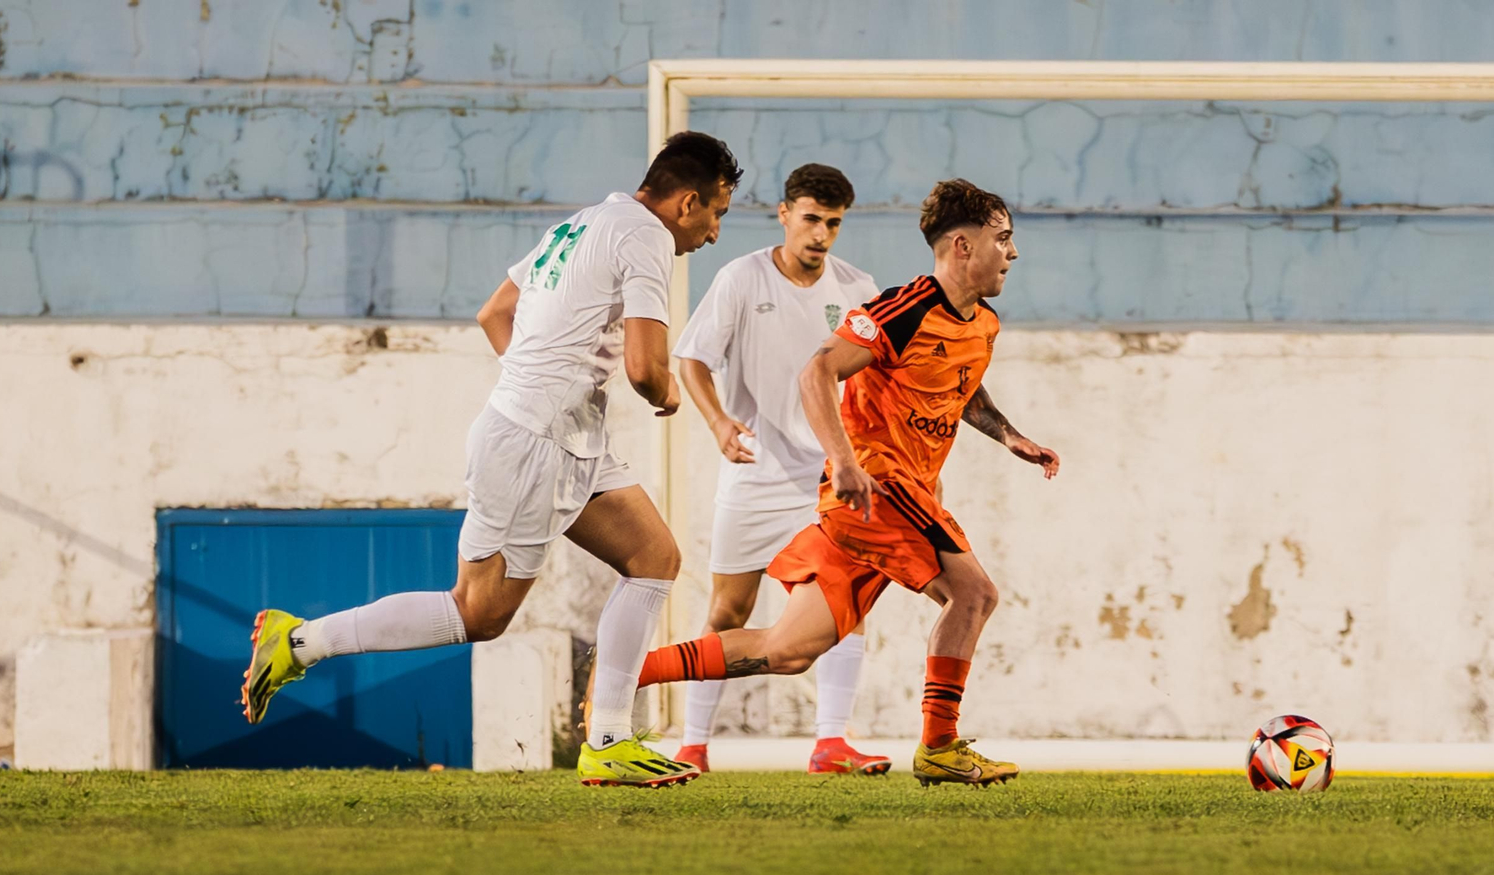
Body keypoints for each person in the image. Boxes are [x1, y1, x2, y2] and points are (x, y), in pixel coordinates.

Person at [240, 131, 743, 789]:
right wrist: (666, 394)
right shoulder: (644, 236)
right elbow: (647, 368)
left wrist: (543, 388)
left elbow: (494, 312)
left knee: (655, 559)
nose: (713, 234)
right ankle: (299, 641)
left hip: (569, 437)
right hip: (534, 444)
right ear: (686, 202)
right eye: (717, 214)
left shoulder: (581, 223)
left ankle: (611, 740)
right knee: (478, 613)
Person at [624, 178, 1060, 786]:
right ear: (962, 246)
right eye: (1003, 239)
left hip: (895, 495)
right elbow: (817, 372)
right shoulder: (898, 308)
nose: (1012, 253)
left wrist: (1009, 435)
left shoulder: (982, 322)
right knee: (974, 594)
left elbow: (960, 386)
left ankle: (624, 672)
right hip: (877, 484)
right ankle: (940, 745)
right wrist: (847, 460)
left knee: (788, 649)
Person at [671, 163, 889, 775]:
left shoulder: (859, 287)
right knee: (727, 612)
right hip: (755, 474)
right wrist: (717, 421)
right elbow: (691, 359)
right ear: (785, 214)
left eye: (834, 224)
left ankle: (830, 742)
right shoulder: (742, 277)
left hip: (828, 479)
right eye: (812, 219)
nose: (821, 234)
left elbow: (878, 380)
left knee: (845, 606)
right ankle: (692, 744)